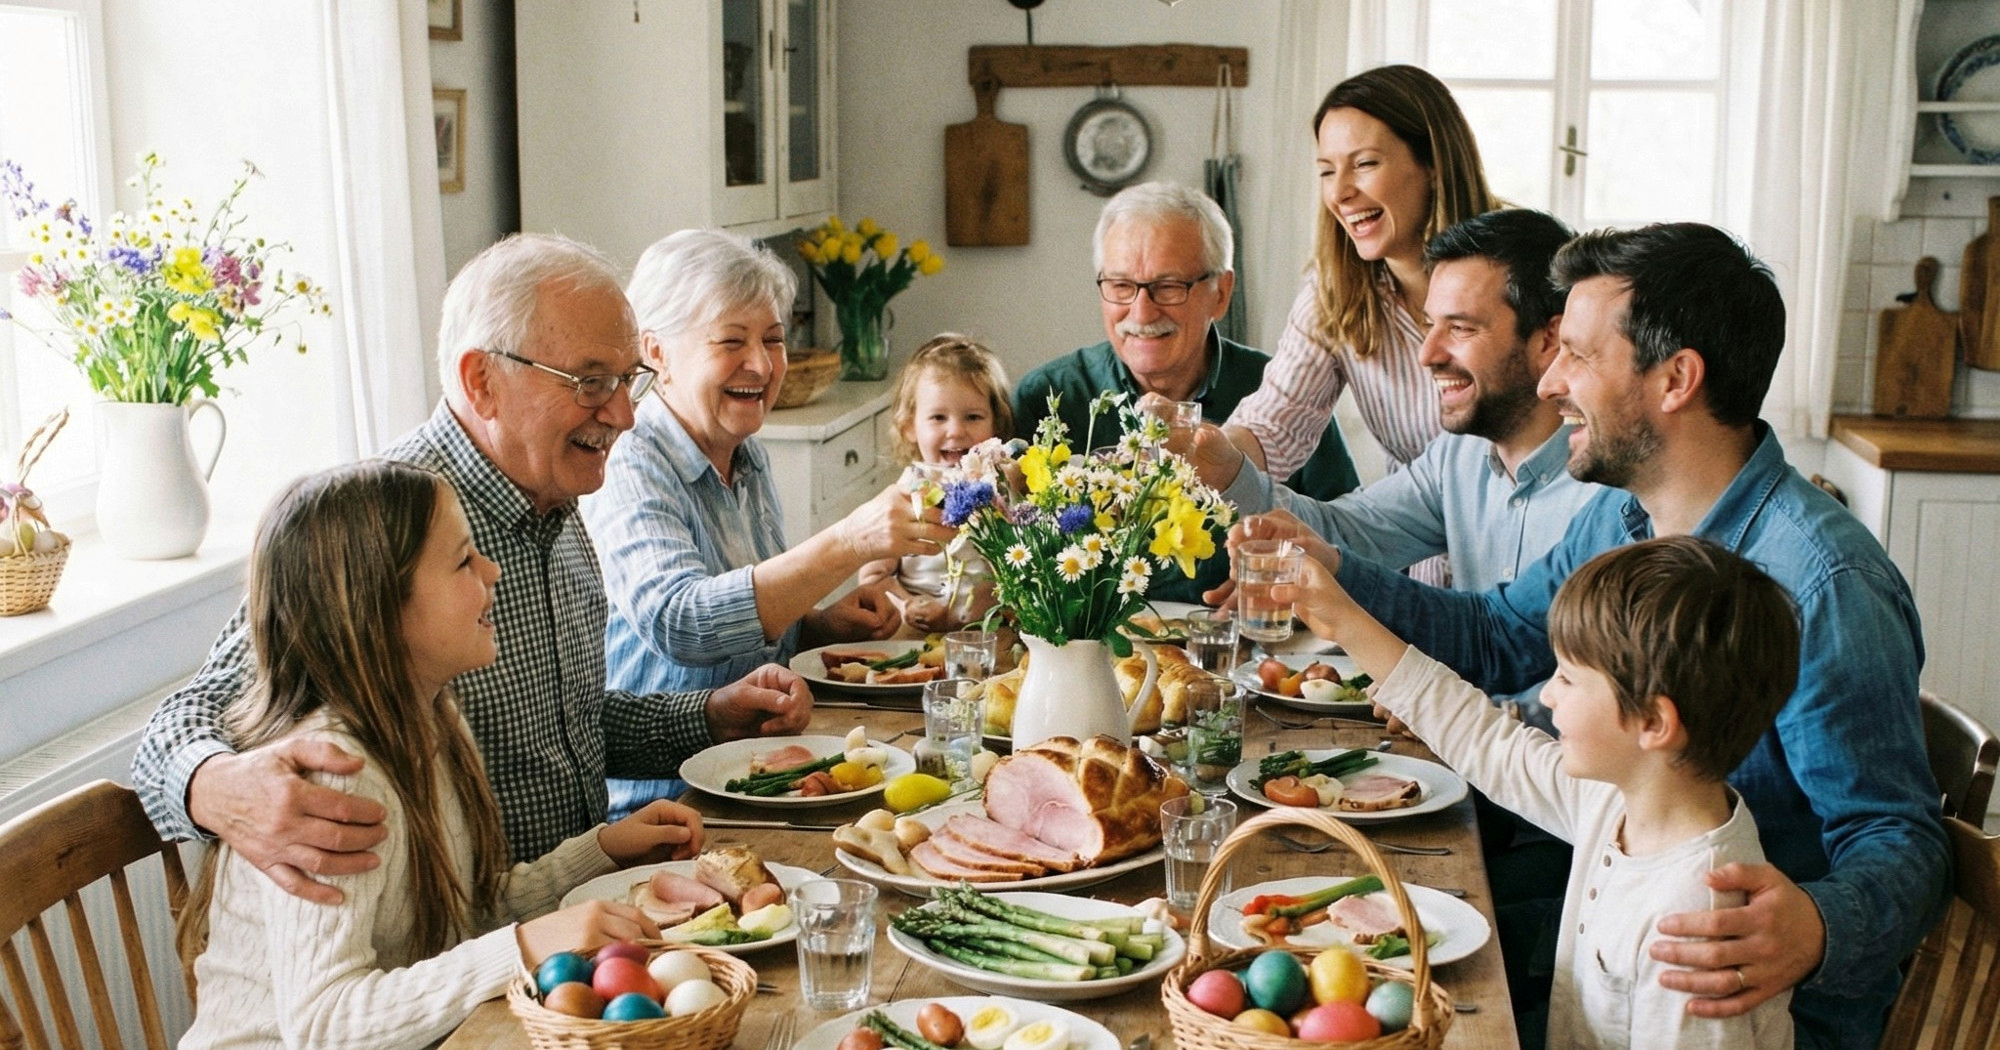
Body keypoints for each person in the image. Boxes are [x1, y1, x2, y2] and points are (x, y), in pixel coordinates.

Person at [1263, 222, 1947, 1050]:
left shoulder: (1822, 586)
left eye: (1579, 356)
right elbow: (1500, 636)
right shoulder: (1626, 514)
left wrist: (1816, 927)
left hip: (1746, 1003)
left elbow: (1898, 838)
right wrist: (1334, 574)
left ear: (1675, 380)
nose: (1550, 381)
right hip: (1614, 900)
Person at [132, 232, 812, 888]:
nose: (623, 416)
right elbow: (184, 719)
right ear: (481, 380)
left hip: (565, 905)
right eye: (590, 381)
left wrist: (709, 716)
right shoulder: (382, 519)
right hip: (452, 957)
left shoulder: (557, 491)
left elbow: (566, 726)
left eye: (626, 380)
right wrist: (216, 787)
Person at [178, 461, 704, 1050]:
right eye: (462, 561)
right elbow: (326, 1022)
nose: (492, 570)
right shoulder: (335, 775)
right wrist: (526, 945)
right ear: (377, 606)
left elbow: (461, 912)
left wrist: (598, 852)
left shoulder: (432, 717)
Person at [1285, 536, 1799, 1049]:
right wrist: (1342, 619)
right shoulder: (1622, 796)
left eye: (1568, 679)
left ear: (1654, 722)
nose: (1547, 695)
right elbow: (1486, 738)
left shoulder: (1695, 922)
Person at [580, 229, 956, 817]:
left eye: (774, 339)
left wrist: (818, 625)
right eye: (732, 340)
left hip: (755, 769)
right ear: (655, 352)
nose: (761, 363)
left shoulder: (743, 449)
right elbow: (682, 623)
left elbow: (745, 615)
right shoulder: (630, 456)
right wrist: (849, 542)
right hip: (661, 801)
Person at [1200, 209, 1599, 640]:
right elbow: (1347, 531)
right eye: (1430, 325)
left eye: (1460, 328)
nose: (1427, 354)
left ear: (1548, 339)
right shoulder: (1456, 458)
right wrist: (1227, 470)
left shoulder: (1611, 488)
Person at [1012, 180, 1360, 604]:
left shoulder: (1285, 395)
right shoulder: (1048, 397)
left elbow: (1351, 546)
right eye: (1121, 286)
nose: (1141, 312)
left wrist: (1289, 578)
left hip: (1248, 649)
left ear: (1222, 293)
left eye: (1169, 286)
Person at [1223, 64, 1501, 586]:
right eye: (1327, 171)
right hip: (1415, 560)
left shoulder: (1524, 268)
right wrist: (1199, 458)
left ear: (1434, 164)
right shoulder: (1336, 290)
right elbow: (1273, 426)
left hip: (1527, 553)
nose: (1341, 192)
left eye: (1365, 164)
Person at [856, 332, 1012, 633]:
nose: (955, 431)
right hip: (912, 632)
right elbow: (874, 576)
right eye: (938, 417)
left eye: (973, 417)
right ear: (909, 426)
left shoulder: (1002, 490)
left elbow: (1014, 574)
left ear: (996, 422)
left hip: (986, 632)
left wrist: (963, 614)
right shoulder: (903, 495)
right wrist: (906, 605)